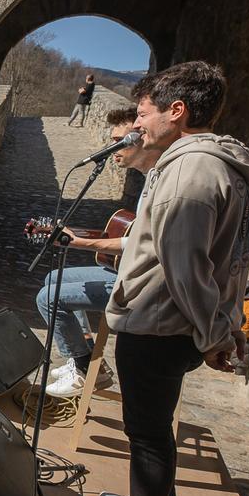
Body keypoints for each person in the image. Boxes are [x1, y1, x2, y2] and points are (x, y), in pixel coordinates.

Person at [68, 62, 249, 496]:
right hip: (173, 325)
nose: (138, 123)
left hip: (159, 324)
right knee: (154, 428)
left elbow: (184, 267)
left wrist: (217, 332)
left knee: (147, 430)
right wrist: (220, 326)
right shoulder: (214, 167)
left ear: (176, 112)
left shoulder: (190, 170)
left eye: (143, 111)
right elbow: (230, 263)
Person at [36, 108, 155, 398]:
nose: (111, 149)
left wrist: (81, 243)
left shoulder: (160, 182)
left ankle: (83, 366)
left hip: (143, 283)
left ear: (137, 139)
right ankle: (88, 358)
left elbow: (142, 244)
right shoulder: (150, 179)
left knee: (48, 298)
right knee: (54, 277)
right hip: (126, 269)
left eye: (117, 141)